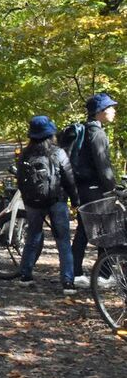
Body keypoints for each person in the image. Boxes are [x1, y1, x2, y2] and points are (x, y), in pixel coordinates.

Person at [15, 116, 80, 294]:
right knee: (63, 241)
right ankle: (67, 281)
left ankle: (25, 275)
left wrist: (28, 198)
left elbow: (20, 179)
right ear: (50, 134)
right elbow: (69, 178)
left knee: (33, 237)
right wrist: (75, 200)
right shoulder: (58, 153)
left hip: (33, 203)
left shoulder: (25, 154)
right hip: (56, 201)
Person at [72, 93, 118, 288]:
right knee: (106, 231)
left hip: (83, 188)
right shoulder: (97, 133)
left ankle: (74, 273)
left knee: (83, 231)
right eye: (110, 108)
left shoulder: (84, 129)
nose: (114, 111)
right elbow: (103, 166)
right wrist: (113, 188)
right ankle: (104, 275)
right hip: (95, 189)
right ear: (100, 112)